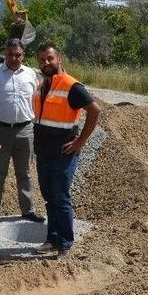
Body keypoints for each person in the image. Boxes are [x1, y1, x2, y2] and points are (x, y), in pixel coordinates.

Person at [32, 43, 100, 260]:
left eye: (50, 59)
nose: (46, 63)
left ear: (59, 59)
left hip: (63, 153)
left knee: (61, 198)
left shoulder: (72, 86)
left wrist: (81, 141)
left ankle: (64, 244)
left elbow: (94, 110)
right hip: (43, 152)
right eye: (42, 60)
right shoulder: (43, 84)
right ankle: (52, 239)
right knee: (49, 198)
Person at [0, 38, 45, 229]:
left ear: (23, 55)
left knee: (24, 173)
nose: (14, 58)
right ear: (4, 53)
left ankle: (28, 210)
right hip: (1, 131)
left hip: (26, 130)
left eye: (18, 55)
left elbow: (37, 99)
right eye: (10, 54)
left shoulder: (32, 75)